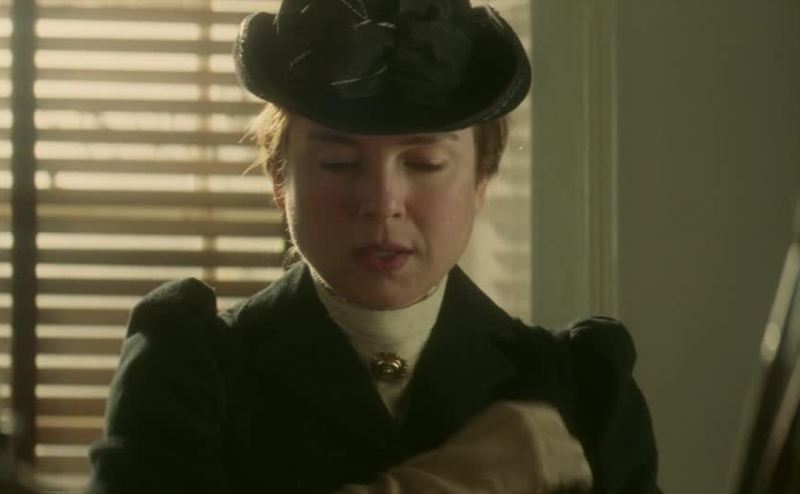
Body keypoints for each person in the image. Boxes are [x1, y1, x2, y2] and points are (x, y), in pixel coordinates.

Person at [88, 0, 661, 492]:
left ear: (481, 180)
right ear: (280, 179)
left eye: (425, 163)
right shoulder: (187, 372)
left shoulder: (582, 387)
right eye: (339, 163)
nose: (383, 202)